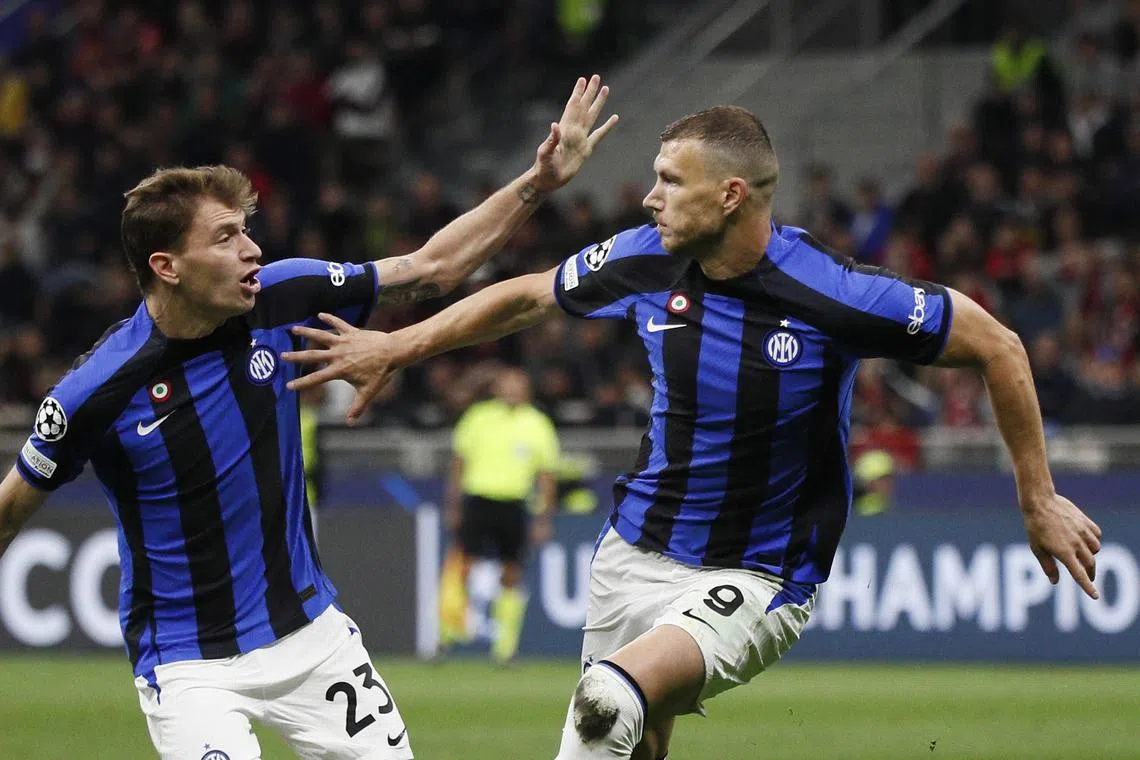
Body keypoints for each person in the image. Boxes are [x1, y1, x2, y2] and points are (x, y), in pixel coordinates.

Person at [283, 105, 1103, 760]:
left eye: (670, 181)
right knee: (632, 739)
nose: (650, 197)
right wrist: (398, 343)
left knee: (607, 701)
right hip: (631, 554)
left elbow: (1000, 344)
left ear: (731, 196)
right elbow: (530, 295)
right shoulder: (646, 256)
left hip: (758, 571)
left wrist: (1037, 498)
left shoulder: (835, 293)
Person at [0, 74, 618, 760]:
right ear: (166, 266)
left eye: (248, 232)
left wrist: (538, 183)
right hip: (190, 664)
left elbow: (430, 268)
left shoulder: (282, 295)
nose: (252, 251)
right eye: (227, 237)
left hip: (311, 637)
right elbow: (9, 511)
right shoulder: (97, 390)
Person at [438, 366, 559, 663]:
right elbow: (458, 463)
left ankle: (505, 648)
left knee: (511, 573)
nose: (512, 390)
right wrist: (453, 506)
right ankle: (443, 637)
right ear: (497, 388)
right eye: (506, 384)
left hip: (514, 504)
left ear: (527, 390)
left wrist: (544, 518)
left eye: (518, 385)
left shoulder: (537, 423)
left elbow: (546, 476)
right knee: (461, 567)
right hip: (477, 500)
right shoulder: (478, 416)